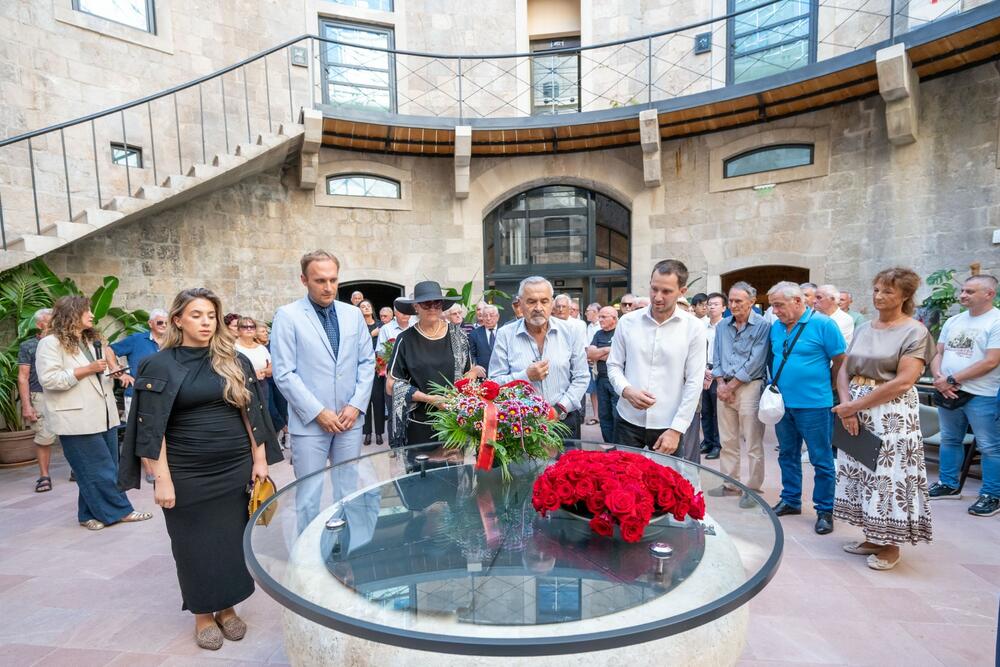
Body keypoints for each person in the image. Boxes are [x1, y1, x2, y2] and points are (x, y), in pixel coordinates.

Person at [120, 287, 282, 649]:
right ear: (177, 320)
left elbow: (251, 413)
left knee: (230, 541)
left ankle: (227, 608)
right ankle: (203, 615)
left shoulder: (233, 360)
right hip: (186, 470)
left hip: (234, 466)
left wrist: (259, 461)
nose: (205, 322)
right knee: (192, 545)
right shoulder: (158, 364)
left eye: (210, 315)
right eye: (196, 315)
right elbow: (152, 427)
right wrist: (161, 478)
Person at [832, 268, 935, 570]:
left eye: (887, 291)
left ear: (905, 295)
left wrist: (855, 406)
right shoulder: (865, 328)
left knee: (888, 475)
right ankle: (873, 535)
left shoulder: (915, 331)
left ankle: (891, 544)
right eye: (876, 289)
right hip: (856, 405)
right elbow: (843, 369)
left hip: (891, 412)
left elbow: (904, 381)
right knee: (862, 470)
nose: (879, 296)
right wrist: (846, 404)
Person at [271, 250, 375, 530]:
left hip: (349, 420)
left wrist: (356, 405)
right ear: (304, 279)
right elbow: (284, 373)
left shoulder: (353, 315)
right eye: (320, 280)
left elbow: (367, 362)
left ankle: (350, 549)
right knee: (309, 495)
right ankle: (311, 559)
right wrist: (318, 412)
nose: (328, 287)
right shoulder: (288, 316)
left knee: (349, 490)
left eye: (333, 279)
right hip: (310, 423)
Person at [35, 296, 151, 531]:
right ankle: (121, 511)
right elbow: (49, 379)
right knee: (99, 469)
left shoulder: (90, 341)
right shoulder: (50, 343)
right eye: (87, 311)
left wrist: (111, 373)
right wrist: (87, 369)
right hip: (76, 417)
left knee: (96, 468)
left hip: (104, 415)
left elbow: (95, 377)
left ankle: (87, 515)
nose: (92, 315)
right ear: (72, 314)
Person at [767, 281, 846, 535]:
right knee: (786, 454)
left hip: (814, 405)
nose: (775, 311)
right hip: (783, 404)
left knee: (821, 459)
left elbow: (841, 362)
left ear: (798, 301)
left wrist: (831, 391)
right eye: (772, 306)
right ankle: (791, 499)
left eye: (779, 305)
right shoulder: (777, 328)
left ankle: (825, 510)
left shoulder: (823, 324)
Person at [607, 260, 706, 462]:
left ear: (682, 291)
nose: (657, 297)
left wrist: (677, 429)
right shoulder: (627, 322)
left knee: (665, 490)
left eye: (666, 291)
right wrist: (626, 390)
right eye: (654, 289)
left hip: (668, 424)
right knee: (623, 485)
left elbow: (694, 382)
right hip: (627, 419)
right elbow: (614, 365)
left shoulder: (694, 328)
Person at [928, 274, 1000, 516]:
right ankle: (948, 484)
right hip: (948, 391)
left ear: (989, 294)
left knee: (990, 446)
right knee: (950, 439)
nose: (962, 295)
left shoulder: (996, 321)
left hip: (982, 394)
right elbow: (938, 352)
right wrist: (939, 378)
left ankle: (992, 494)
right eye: (963, 291)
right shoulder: (954, 320)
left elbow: (991, 361)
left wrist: (952, 380)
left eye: (970, 291)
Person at [387, 281, 479, 468]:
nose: (433, 308)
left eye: (437, 303)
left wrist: (472, 376)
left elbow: (468, 373)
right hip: (419, 423)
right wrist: (430, 399)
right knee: (421, 478)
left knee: (452, 479)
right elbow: (391, 384)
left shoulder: (458, 336)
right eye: (426, 304)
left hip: (454, 422)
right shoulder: (405, 339)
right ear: (416, 307)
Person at [490, 277, 590, 440]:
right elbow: (494, 383)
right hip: (521, 424)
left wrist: (559, 409)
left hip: (564, 421)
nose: (538, 308)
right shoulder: (505, 335)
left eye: (544, 301)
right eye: (531, 302)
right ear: (520, 304)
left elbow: (582, 377)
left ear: (551, 303)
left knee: (566, 465)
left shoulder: (571, 332)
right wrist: (525, 376)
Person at [710, 283, 770, 507]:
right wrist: (720, 383)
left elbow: (756, 361)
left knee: (753, 441)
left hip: (748, 386)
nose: (733, 305)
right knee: (727, 440)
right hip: (723, 385)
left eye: (738, 301)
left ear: (752, 302)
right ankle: (730, 484)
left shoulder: (763, 326)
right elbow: (716, 356)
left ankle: (753, 489)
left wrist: (731, 386)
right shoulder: (722, 325)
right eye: (731, 301)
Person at [112, 308, 169, 483]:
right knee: (142, 432)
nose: (164, 326)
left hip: (166, 394)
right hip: (138, 393)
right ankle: (150, 469)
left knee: (164, 430)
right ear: (150, 323)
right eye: (160, 322)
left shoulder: (172, 342)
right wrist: (119, 372)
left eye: (167, 323)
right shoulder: (137, 340)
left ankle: (164, 466)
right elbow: (110, 349)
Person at [18, 308, 55, 492]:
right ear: (40, 325)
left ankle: (76, 470)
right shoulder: (29, 346)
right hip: (40, 395)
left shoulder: (63, 343)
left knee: (74, 433)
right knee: (44, 437)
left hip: (63, 394)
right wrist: (27, 405)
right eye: (51, 321)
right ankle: (44, 475)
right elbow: (23, 376)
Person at [587, 306, 619, 442]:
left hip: (617, 380)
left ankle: (619, 448)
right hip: (601, 380)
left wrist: (599, 353)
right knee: (604, 415)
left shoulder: (620, 332)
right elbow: (590, 354)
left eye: (603, 317)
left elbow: (622, 355)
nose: (599, 319)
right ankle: (609, 446)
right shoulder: (598, 334)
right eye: (599, 316)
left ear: (614, 318)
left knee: (617, 415)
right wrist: (608, 350)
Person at [701, 292, 726, 459]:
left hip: (719, 374)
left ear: (724, 308)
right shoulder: (701, 326)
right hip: (702, 371)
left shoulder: (726, 327)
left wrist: (714, 374)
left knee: (718, 412)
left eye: (716, 304)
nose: (711, 306)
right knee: (705, 410)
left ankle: (718, 445)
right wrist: (703, 370)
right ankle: (708, 441)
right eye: (709, 303)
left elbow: (727, 353)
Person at [359, 300, 385, 446]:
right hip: (362, 368)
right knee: (365, 401)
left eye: (368, 305)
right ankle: (367, 433)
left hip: (378, 367)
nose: (366, 308)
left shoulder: (380, 325)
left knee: (378, 400)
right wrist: (371, 334)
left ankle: (379, 433)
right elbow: (356, 344)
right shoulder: (357, 326)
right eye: (363, 306)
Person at [234, 317, 272, 383]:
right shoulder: (233, 347)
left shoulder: (261, 348)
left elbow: (271, 367)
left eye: (252, 327)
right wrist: (252, 375)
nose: (249, 329)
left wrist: (264, 371)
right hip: (241, 386)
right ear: (238, 330)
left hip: (262, 385)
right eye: (244, 327)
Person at [584, 302, 602, 425]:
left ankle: (603, 415)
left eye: (588, 311)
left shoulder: (601, 326)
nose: (586, 313)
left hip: (600, 363)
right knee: (593, 391)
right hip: (589, 363)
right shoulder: (588, 327)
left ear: (595, 312)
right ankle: (596, 416)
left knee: (602, 390)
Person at [469, 304, 500, 371]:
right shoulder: (474, 334)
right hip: (482, 374)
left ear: (497, 317)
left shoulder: (504, 331)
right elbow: (472, 355)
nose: (488, 318)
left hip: (502, 373)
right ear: (482, 317)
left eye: (491, 315)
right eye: (485, 316)